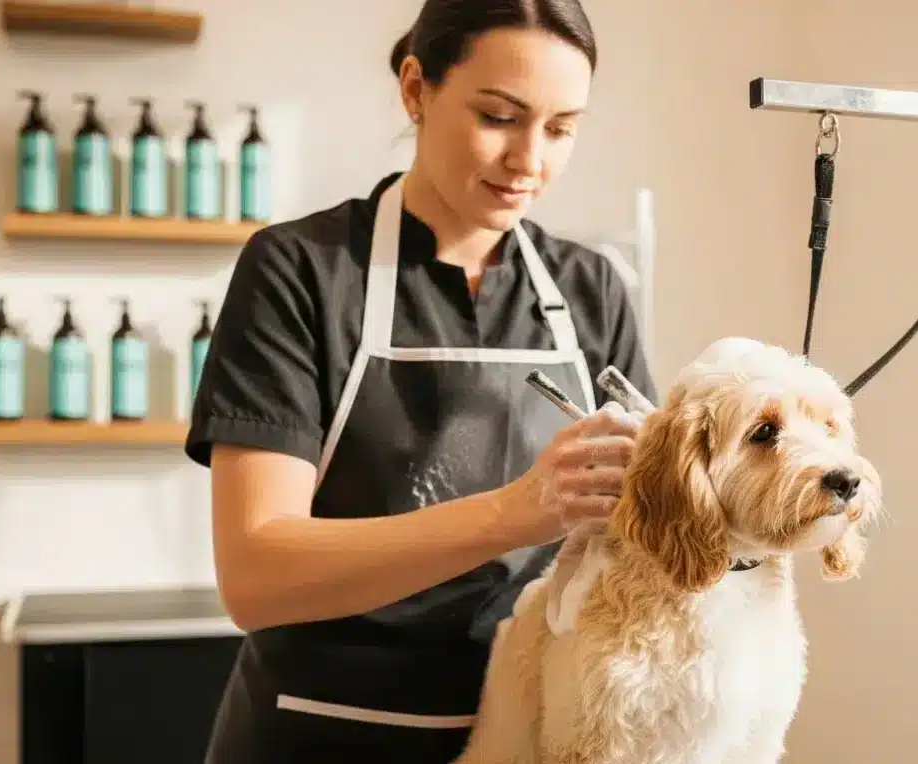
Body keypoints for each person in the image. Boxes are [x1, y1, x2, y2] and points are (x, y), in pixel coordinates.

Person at [182, 0, 657, 761]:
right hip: (320, 735)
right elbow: (256, 575)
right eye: (500, 116)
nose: (529, 160)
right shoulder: (300, 273)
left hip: (526, 738)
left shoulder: (592, 290)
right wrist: (517, 511)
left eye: (561, 128)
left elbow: (638, 540)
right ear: (416, 88)